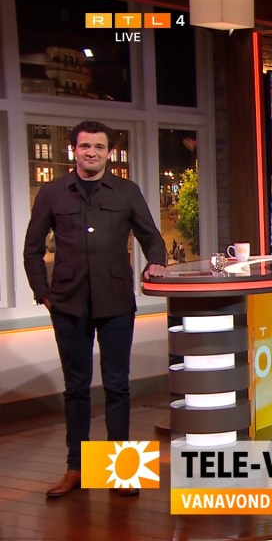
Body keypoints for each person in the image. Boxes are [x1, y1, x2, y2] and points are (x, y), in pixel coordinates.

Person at [23, 120, 167, 498]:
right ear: (74, 150)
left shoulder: (127, 191)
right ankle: (77, 468)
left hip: (116, 300)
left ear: (108, 153)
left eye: (99, 147)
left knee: (118, 386)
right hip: (68, 304)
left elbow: (152, 237)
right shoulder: (52, 193)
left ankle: (121, 471)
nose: (92, 152)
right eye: (85, 146)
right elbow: (32, 250)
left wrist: (156, 262)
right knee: (76, 388)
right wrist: (44, 294)